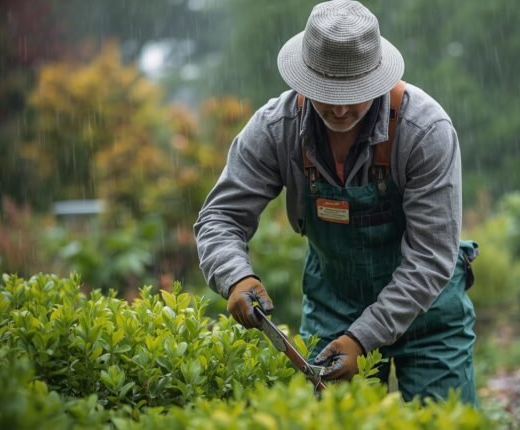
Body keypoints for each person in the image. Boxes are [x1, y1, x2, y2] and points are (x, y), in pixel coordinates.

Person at [194, 0, 478, 404]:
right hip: (334, 309)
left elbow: (431, 257)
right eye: (327, 93)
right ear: (304, 80)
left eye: (354, 93)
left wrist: (364, 337)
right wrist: (235, 276)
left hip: (429, 314)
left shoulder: (424, 130)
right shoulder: (276, 129)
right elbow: (220, 217)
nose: (341, 107)